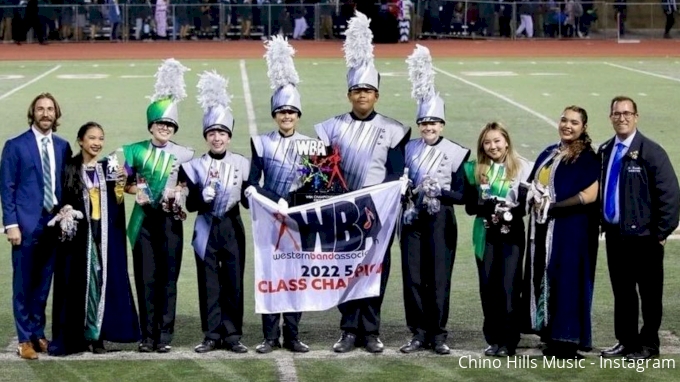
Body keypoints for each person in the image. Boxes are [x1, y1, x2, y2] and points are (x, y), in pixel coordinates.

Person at [315, 11, 410, 353]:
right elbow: (324, 172)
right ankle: (348, 329)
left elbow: (397, 171)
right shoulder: (332, 127)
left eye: (368, 90)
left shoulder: (393, 129)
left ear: (377, 96)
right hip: (342, 213)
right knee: (344, 269)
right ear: (349, 95)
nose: (362, 96)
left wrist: (378, 200)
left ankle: (370, 330)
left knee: (374, 272)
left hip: (377, 213)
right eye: (356, 90)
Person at [398, 45, 469, 356]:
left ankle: (438, 333)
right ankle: (418, 332)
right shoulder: (407, 147)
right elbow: (397, 180)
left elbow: (464, 195)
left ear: (442, 125)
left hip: (441, 221)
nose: (428, 127)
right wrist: (405, 189)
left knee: (439, 280)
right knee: (413, 278)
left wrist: (438, 192)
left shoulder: (457, 151)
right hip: (412, 221)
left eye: (434, 122)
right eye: (424, 122)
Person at [48, 122, 140, 356]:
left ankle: (98, 335)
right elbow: (63, 197)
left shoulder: (108, 166)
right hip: (79, 237)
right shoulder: (70, 167)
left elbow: (118, 201)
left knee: (103, 280)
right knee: (81, 283)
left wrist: (121, 184)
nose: (97, 143)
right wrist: (67, 211)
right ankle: (80, 335)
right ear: (80, 140)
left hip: (106, 233)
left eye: (100, 138)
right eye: (92, 138)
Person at [599, 96, 680, 360]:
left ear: (636, 116)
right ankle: (626, 341)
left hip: (645, 238)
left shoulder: (651, 151)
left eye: (627, 113)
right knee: (622, 293)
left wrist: (660, 234)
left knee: (649, 294)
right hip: (616, 235)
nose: (622, 118)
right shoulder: (605, 150)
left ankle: (649, 344)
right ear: (610, 117)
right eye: (616, 113)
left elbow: (670, 195)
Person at [122, 59, 194, 353]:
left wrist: (180, 194)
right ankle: (147, 335)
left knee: (169, 279)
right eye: (160, 123)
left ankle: (164, 336)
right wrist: (133, 190)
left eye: (169, 124)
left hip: (170, 221)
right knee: (145, 278)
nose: (164, 128)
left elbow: (190, 187)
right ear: (151, 125)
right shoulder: (133, 150)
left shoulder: (186, 154)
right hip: (143, 224)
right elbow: (119, 182)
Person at [246, 36, 310, 354]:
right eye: (281, 112)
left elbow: (317, 187)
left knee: (295, 278)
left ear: (298, 115)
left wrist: (298, 206)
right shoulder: (261, 143)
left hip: (298, 222)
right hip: (270, 222)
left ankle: (294, 335)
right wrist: (272, 199)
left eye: (291, 112)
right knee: (271, 278)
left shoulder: (312, 145)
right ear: (274, 115)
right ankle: (271, 336)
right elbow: (251, 183)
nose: (286, 117)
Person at [180, 71, 249, 354]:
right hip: (206, 228)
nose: (217, 138)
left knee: (233, 280)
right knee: (208, 282)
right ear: (206, 136)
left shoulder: (243, 163)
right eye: (212, 133)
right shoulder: (193, 165)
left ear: (229, 136)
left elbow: (247, 201)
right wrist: (200, 195)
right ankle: (211, 334)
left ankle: (232, 334)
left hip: (232, 226)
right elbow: (190, 206)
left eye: (222, 133)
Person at [0, 93, 72, 360]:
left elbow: (64, 184)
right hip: (26, 225)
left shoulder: (63, 146)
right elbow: (7, 188)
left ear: (56, 114)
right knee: (23, 283)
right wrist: (11, 225)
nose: (45, 113)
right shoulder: (15, 145)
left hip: (52, 225)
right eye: (40, 109)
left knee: (43, 284)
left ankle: (38, 332)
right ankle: (23, 340)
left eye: (50, 109)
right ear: (33, 113)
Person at [524, 106, 600, 359]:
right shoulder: (550, 151)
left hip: (572, 231)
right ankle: (550, 334)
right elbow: (533, 181)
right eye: (564, 120)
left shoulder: (587, 157)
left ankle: (567, 340)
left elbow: (590, 194)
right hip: (545, 228)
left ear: (583, 127)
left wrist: (553, 206)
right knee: (547, 278)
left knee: (569, 281)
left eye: (575, 122)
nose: (568, 125)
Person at [463, 122, 532, 357]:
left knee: (510, 287)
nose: (492, 146)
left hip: (511, 235)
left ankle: (509, 341)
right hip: (485, 234)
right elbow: (470, 207)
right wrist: (487, 205)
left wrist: (507, 211)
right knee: (488, 288)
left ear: (506, 142)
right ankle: (493, 339)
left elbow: (524, 207)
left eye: (496, 141)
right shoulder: (475, 168)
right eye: (487, 142)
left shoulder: (522, 167)